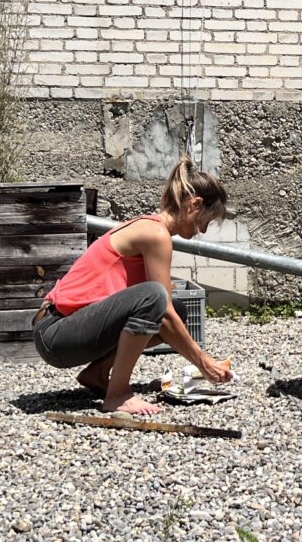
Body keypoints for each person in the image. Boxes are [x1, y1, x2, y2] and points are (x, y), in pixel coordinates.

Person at [32, 154, 233, 415]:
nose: (202, 230)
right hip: (55, 334)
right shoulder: (155, 234)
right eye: (207, 220)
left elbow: (170, 315)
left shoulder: (151, 229)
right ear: (194, 206)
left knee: (176, 310)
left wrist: (202, 361)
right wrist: (205, 363)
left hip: (63, 330)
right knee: (155, 297)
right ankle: (117, 395)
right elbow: (159, 304)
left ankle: (98, 374)